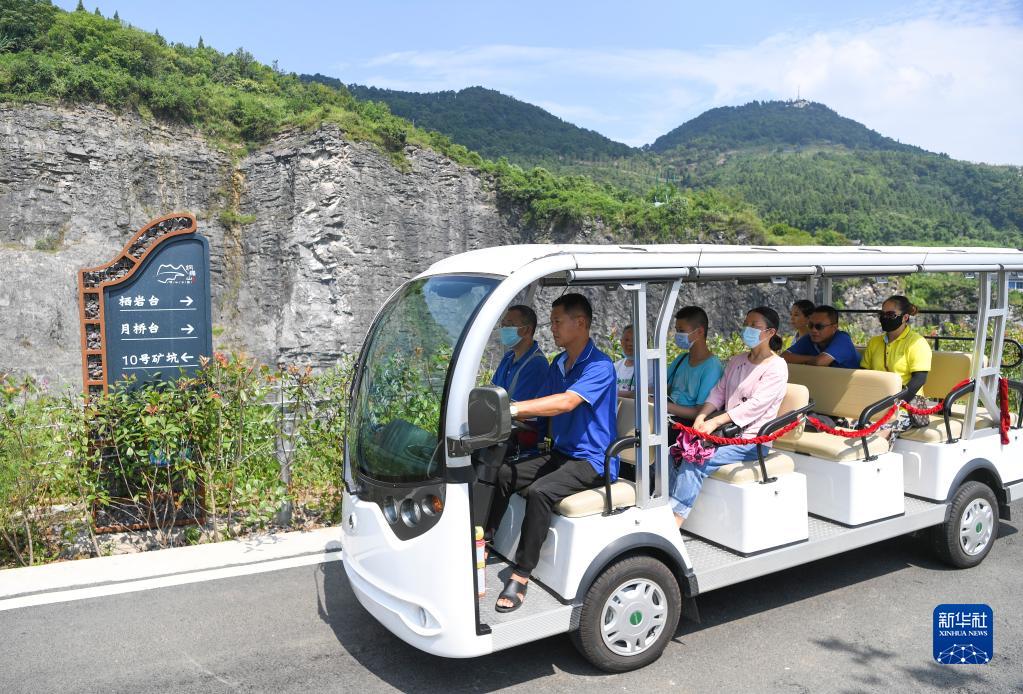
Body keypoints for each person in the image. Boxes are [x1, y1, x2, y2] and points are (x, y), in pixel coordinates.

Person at [487, 293, 617, 612]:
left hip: (593, 460)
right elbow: (540, 406)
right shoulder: (558, 363)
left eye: (557, 322)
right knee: (504, 473)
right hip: (562, 452)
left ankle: (521, 574)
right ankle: (485, 541)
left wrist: (511, 408)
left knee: (541, 491)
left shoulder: (599, 366)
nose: (553, 328)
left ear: (580, 323)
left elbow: (566, 402)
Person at [669, 307, 788, 528]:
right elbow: (719, 392)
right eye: (746, 324)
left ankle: (674, 520)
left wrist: (715, 421)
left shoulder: (777, 367)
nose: (748, 329)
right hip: (725, 434)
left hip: (751, 440)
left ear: (770, 332)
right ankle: (666, 508)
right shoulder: (737, 360)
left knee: (695, 459)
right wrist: (702, 416)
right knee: (673, 453)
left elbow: (754, 406)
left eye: (754, 326)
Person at [860, 295, 932, 434]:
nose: (884, 318)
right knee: (846, 421)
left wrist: (893, 403)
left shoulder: (917, 343)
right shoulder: (874, 342)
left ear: (905, 317)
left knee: (874, 428)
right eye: (882, 314)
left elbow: (919, 380)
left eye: (890, 315)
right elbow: (864, 372)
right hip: (875, 401)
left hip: (907, 404)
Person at [492, 305, 549, 455]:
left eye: (509, 325)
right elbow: (492, 394)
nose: (504, 329)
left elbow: (516, 411)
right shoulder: (508, 357)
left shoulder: (536, 364)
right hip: (503, 431)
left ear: (527, 330)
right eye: (503, 325)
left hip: (521, 440)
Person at [665, 306, 724, 422]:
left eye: (681, 331)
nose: (677, 335)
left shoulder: (712, 367)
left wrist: (663, 406)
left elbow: (699, 412)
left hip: (683, 425)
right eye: (677, 330)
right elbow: (661, 387)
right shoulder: (681, 359)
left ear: (700, 332)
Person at [782, 305, 860, 369]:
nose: (814, 330)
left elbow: (819, 362)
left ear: (834, 328)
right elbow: (783, 357)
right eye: (810, 325)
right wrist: (813, 358)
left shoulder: (842, 339)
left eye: (819, 326)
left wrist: (801, 359)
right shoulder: (809, 338)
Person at [613, 325, 637, 397]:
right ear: (621, 342)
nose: (630, 344)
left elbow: (652, 391)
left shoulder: (653, 367)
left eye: (634, 340)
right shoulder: (615, 367)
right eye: (626, 340)